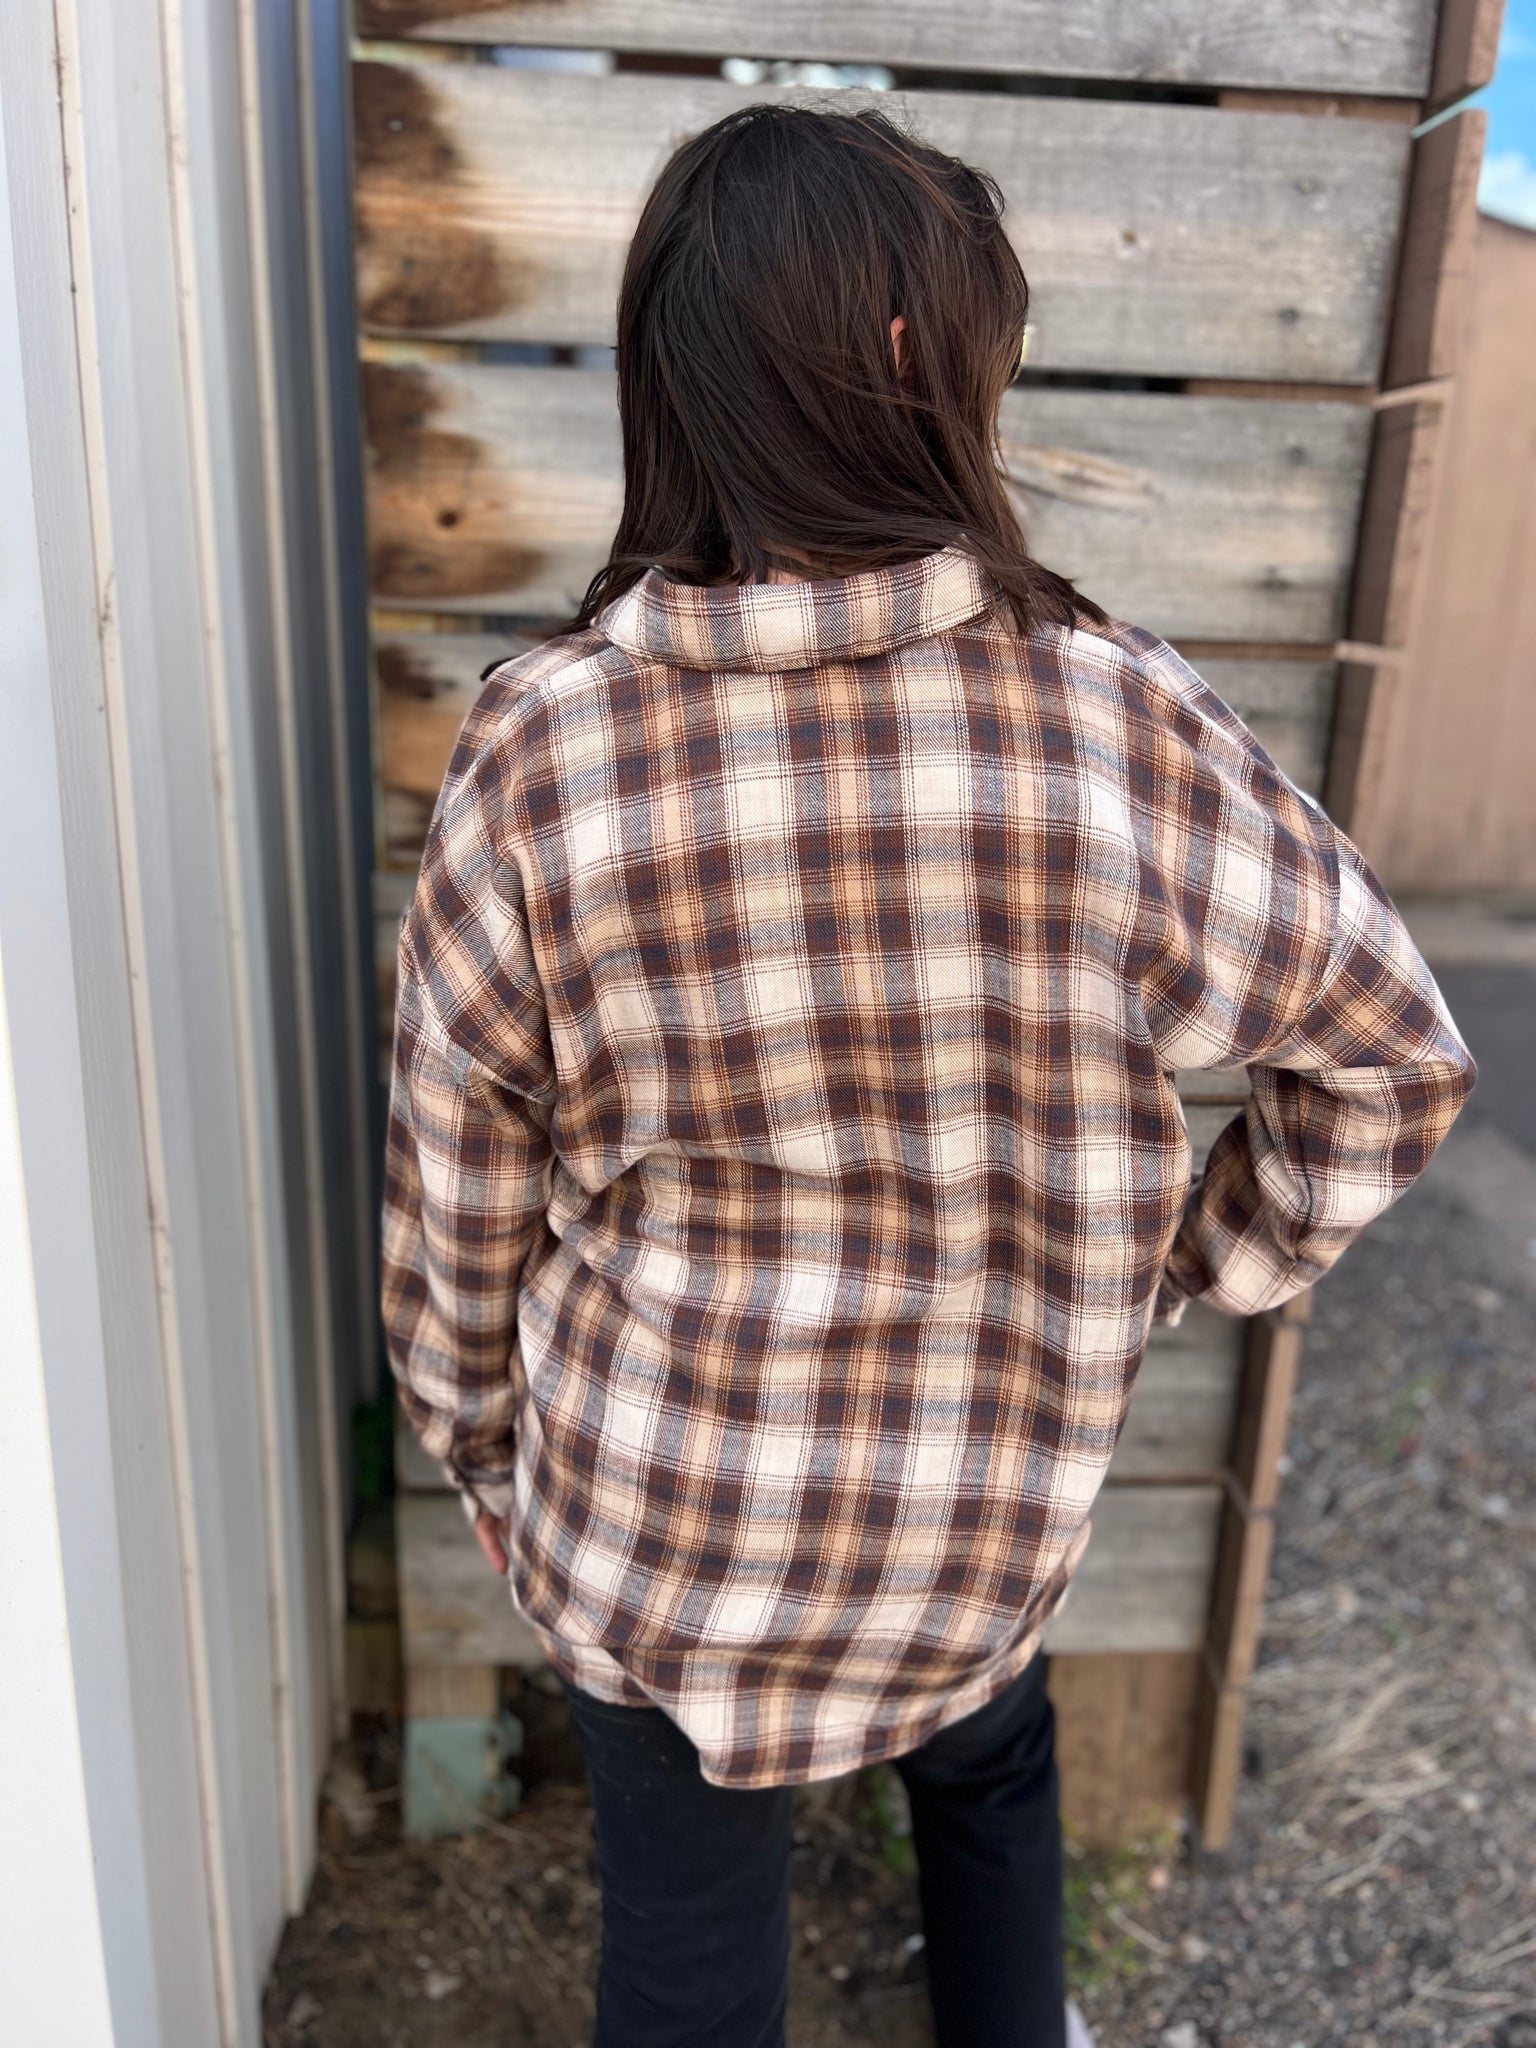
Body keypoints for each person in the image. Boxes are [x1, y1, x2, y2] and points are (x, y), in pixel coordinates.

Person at [381, 103, 1475, 2048]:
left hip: (659, 1532)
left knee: (689, 1959)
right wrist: (1165, 1268)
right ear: (917, 361)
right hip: (979, 1518)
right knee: (991, 1774)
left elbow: (457, 1178)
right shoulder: (1114, 724)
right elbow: (1391, 1061)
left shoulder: (542, 748)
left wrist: (478, 1446)